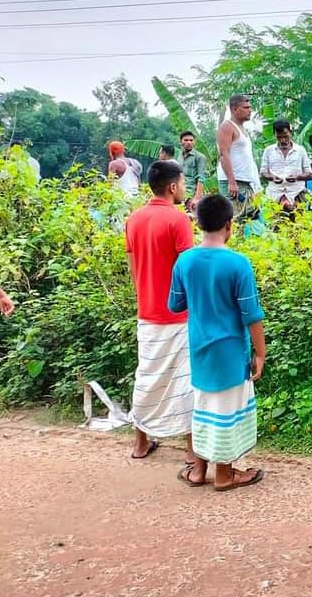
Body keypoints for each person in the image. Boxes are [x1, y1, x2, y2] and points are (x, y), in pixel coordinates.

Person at [168, 194, 266, 492]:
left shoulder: (185, 261)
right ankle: (224, 474)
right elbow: (251, 314)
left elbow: (175, 304)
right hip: (231, 351)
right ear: (229, 225)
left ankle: (198, 471)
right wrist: (260, 353)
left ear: (198, 224)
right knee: (226, 409)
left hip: (199, 348)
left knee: (204, 407)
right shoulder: (238, 263)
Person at [124, 160, 197, 463]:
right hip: (177, 315)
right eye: (182, 183)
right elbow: (188, 270)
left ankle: (140, 442)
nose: (184, 188)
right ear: (172, 186)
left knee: (147, 375)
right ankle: (193, 451)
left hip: (147, 311)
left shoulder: (134, 219)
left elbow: (132, 268)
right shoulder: (178, 221)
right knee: (186, 381)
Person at [216, 94, 262, 222]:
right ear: (234, 109)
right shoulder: (227, 127)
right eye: (246, 107)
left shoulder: (242, 129)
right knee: (234, 220)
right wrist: (231, 181)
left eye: (250, 107)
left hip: (245, 182)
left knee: (249, 219)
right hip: (233, 182)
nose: (250, 110)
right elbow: (223, 155)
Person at [260, 119, 312, 215]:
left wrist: (297, 177)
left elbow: (309, 173)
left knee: (300, 224)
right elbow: (263, 173)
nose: (283, 140)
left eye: (285, 136)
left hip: (297, 193)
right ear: (274, 134)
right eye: (279, 137)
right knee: (275, 226)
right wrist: (272, 177)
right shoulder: (268, 151)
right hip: (274, 195)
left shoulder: (300, 150)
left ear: (290, 132)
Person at [179, 131, 208, 204]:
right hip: (180, 193)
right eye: (186, 140)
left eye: (191, 140)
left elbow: (201, 178)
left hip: (191, 195)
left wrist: (196, 198)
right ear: (180, 142)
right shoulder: (179, 156)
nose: (189, 142)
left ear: (194, 142)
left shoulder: (200, 157)